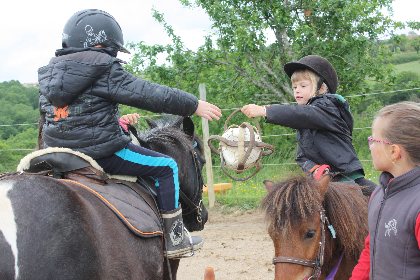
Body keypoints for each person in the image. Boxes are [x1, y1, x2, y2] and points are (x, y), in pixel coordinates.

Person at [37, 9, 222, 259]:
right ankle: (175, 238)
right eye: (113, 49)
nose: (113, 54)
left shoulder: (50, 74)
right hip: (101, 152)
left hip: (56, 152)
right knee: (166, 167)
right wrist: (193, 105)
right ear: (101, 44)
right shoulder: (103, 67)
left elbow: (47, 117)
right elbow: (149, 94)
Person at [241, 55, 376, 195]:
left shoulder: (328, 108)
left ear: (322, 88)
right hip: (320, 180)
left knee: (369, 202)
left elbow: (302, 114)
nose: (297, 90)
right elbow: (301, 157)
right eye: (294, 87)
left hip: (344, 176)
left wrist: (265, 110)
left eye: (303, 86)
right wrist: (314, 168)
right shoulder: (305, 124)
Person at [350, 101, 420, 279]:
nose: (370, 145)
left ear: (394, 151)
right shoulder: (380, 193)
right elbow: (371, 249)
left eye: (373, 140)